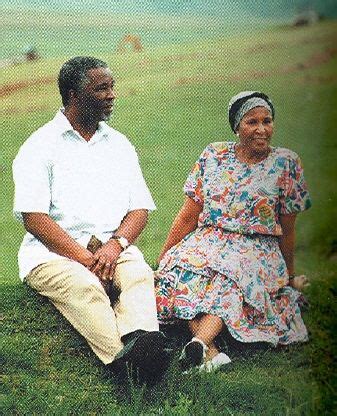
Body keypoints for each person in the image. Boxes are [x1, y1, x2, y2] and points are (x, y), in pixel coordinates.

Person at [13, 56, 171, 385]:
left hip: (111, 250)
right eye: (102, 88)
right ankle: (127, 364)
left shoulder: (119, 144)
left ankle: (141, 344)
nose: (112, 94)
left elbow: (139, 208)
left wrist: (115, 247)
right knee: (87, 288)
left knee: (140, 274)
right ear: (74, 95)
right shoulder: (39, 147)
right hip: (52, 256)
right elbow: (34, 218)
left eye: (112, 87)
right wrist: (86, 260)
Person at [155, 91, 312, 372]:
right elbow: (189, 213)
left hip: (257, 247)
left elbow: (288, 229)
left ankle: (199, 342)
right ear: (237, 126)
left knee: (229, 278)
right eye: (252, 122)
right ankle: (208, 351)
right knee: (175, 269)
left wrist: (288, 276)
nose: (262, 129)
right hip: (209, 238)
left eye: (268, 120)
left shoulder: (286, 163)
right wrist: (166, 255)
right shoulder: (213, 155)